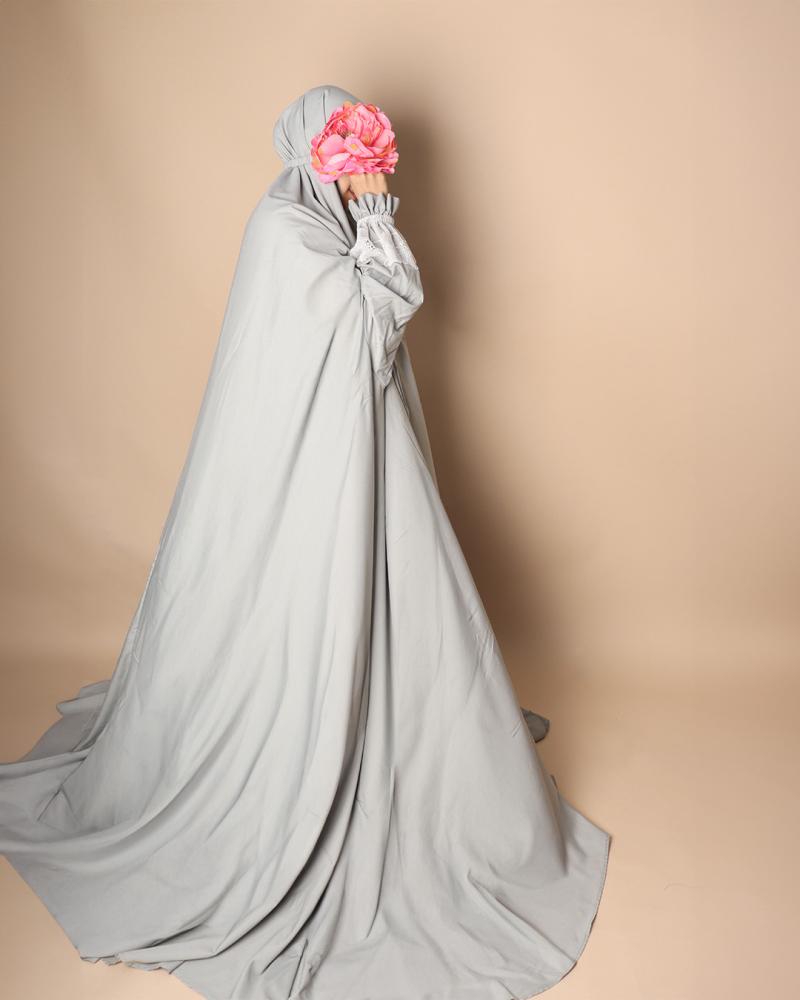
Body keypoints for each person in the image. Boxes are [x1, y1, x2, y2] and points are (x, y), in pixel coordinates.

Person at [0, 84, 610, 1000]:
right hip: (304, 476)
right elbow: (369, 323)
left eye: (356, 147)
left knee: (404, 619)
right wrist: (372, 223)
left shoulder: (329, 226)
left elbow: (381, 329)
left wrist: (371, 214)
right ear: (307, 151)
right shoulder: (285, 233)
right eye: (339, 148)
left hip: (363, 457)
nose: (354, 166)